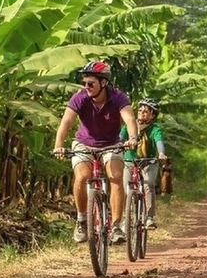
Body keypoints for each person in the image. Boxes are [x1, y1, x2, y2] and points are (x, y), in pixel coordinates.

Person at [52, 61, 138, 244]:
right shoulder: (80, 98)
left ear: (104, 83)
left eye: (91, 84)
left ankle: (115, 226)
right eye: (84, 83)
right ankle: (82, 220)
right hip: (84, 144)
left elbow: (130, 119)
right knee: (82, 177)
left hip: (111, 144)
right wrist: (58, 144)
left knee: (115, 177)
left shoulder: (118, 98)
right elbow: (66, 123)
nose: (86, 87)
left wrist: (132, 138)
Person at [120, 98, 167, 229]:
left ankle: (149, 217)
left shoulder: (155, 129)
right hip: (130, 161)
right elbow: (120, 139)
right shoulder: (129, 126)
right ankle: (125, 220)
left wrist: (161, 153)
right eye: (140, 110)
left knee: (148, 185)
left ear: (152, 115)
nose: (141, 113)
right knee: (125, 189)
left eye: (146, 111)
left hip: (149, 162)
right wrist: (119, 145)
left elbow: (159, 142)